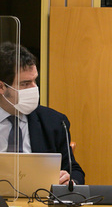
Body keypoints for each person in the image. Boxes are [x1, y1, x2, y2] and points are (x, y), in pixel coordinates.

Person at [0, 42, 84, 185]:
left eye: (35, 81)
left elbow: (74, 170)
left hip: (39, 202)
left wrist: (69, 181)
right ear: (2, 87)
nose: (34, 88)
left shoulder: (55, 122)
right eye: (25, 84)